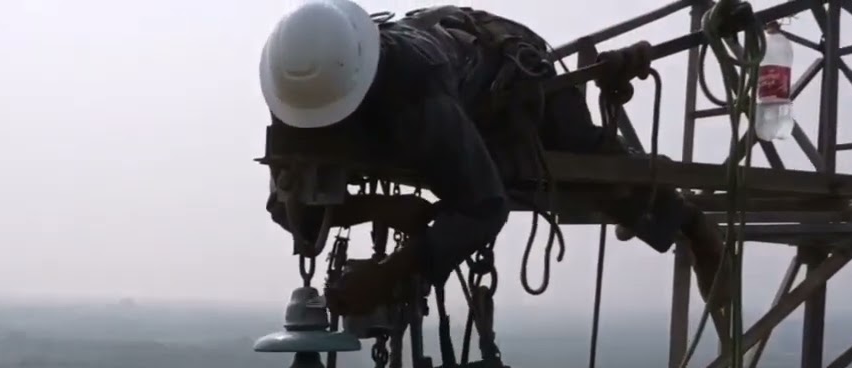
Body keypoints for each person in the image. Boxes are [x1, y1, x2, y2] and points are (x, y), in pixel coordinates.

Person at [260, 1, 727, 316]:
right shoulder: (300, 88)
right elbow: (287, 204)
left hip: (503, 68)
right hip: (437, 63)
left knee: (584, 165)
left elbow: (486, 206)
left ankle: (687, 221)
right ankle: (636, 210)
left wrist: (390, 274)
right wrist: (381, 209)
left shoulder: (415, 93)